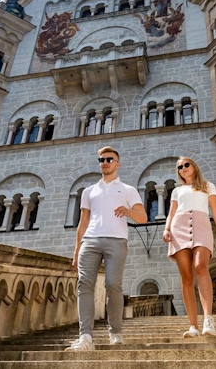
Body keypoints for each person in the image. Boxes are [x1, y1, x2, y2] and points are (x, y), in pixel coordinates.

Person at [66, 146, 148, 351]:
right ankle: (85, 337)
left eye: (109, 159)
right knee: (84, 284)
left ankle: (116, 333)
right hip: (90, 241)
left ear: (117, 164)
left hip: (117, 241)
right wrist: (77, 250)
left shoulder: (128, 190)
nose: (105, 162)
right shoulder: (88, 191)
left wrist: (128, 211)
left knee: (113, 284)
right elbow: (82, 223)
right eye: (101, 159)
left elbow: (143, 217)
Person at [162, 157, 216, 338]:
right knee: (186, 275)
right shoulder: (177, 191)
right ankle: (193, 325)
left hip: (201, 226)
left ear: (194, 166)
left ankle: (208, 319)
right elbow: (172, 213)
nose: (183, 168)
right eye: (179, 167)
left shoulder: (208, 186)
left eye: (186, 165)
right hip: (179, 227)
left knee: (200, 266)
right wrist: (167, 229)